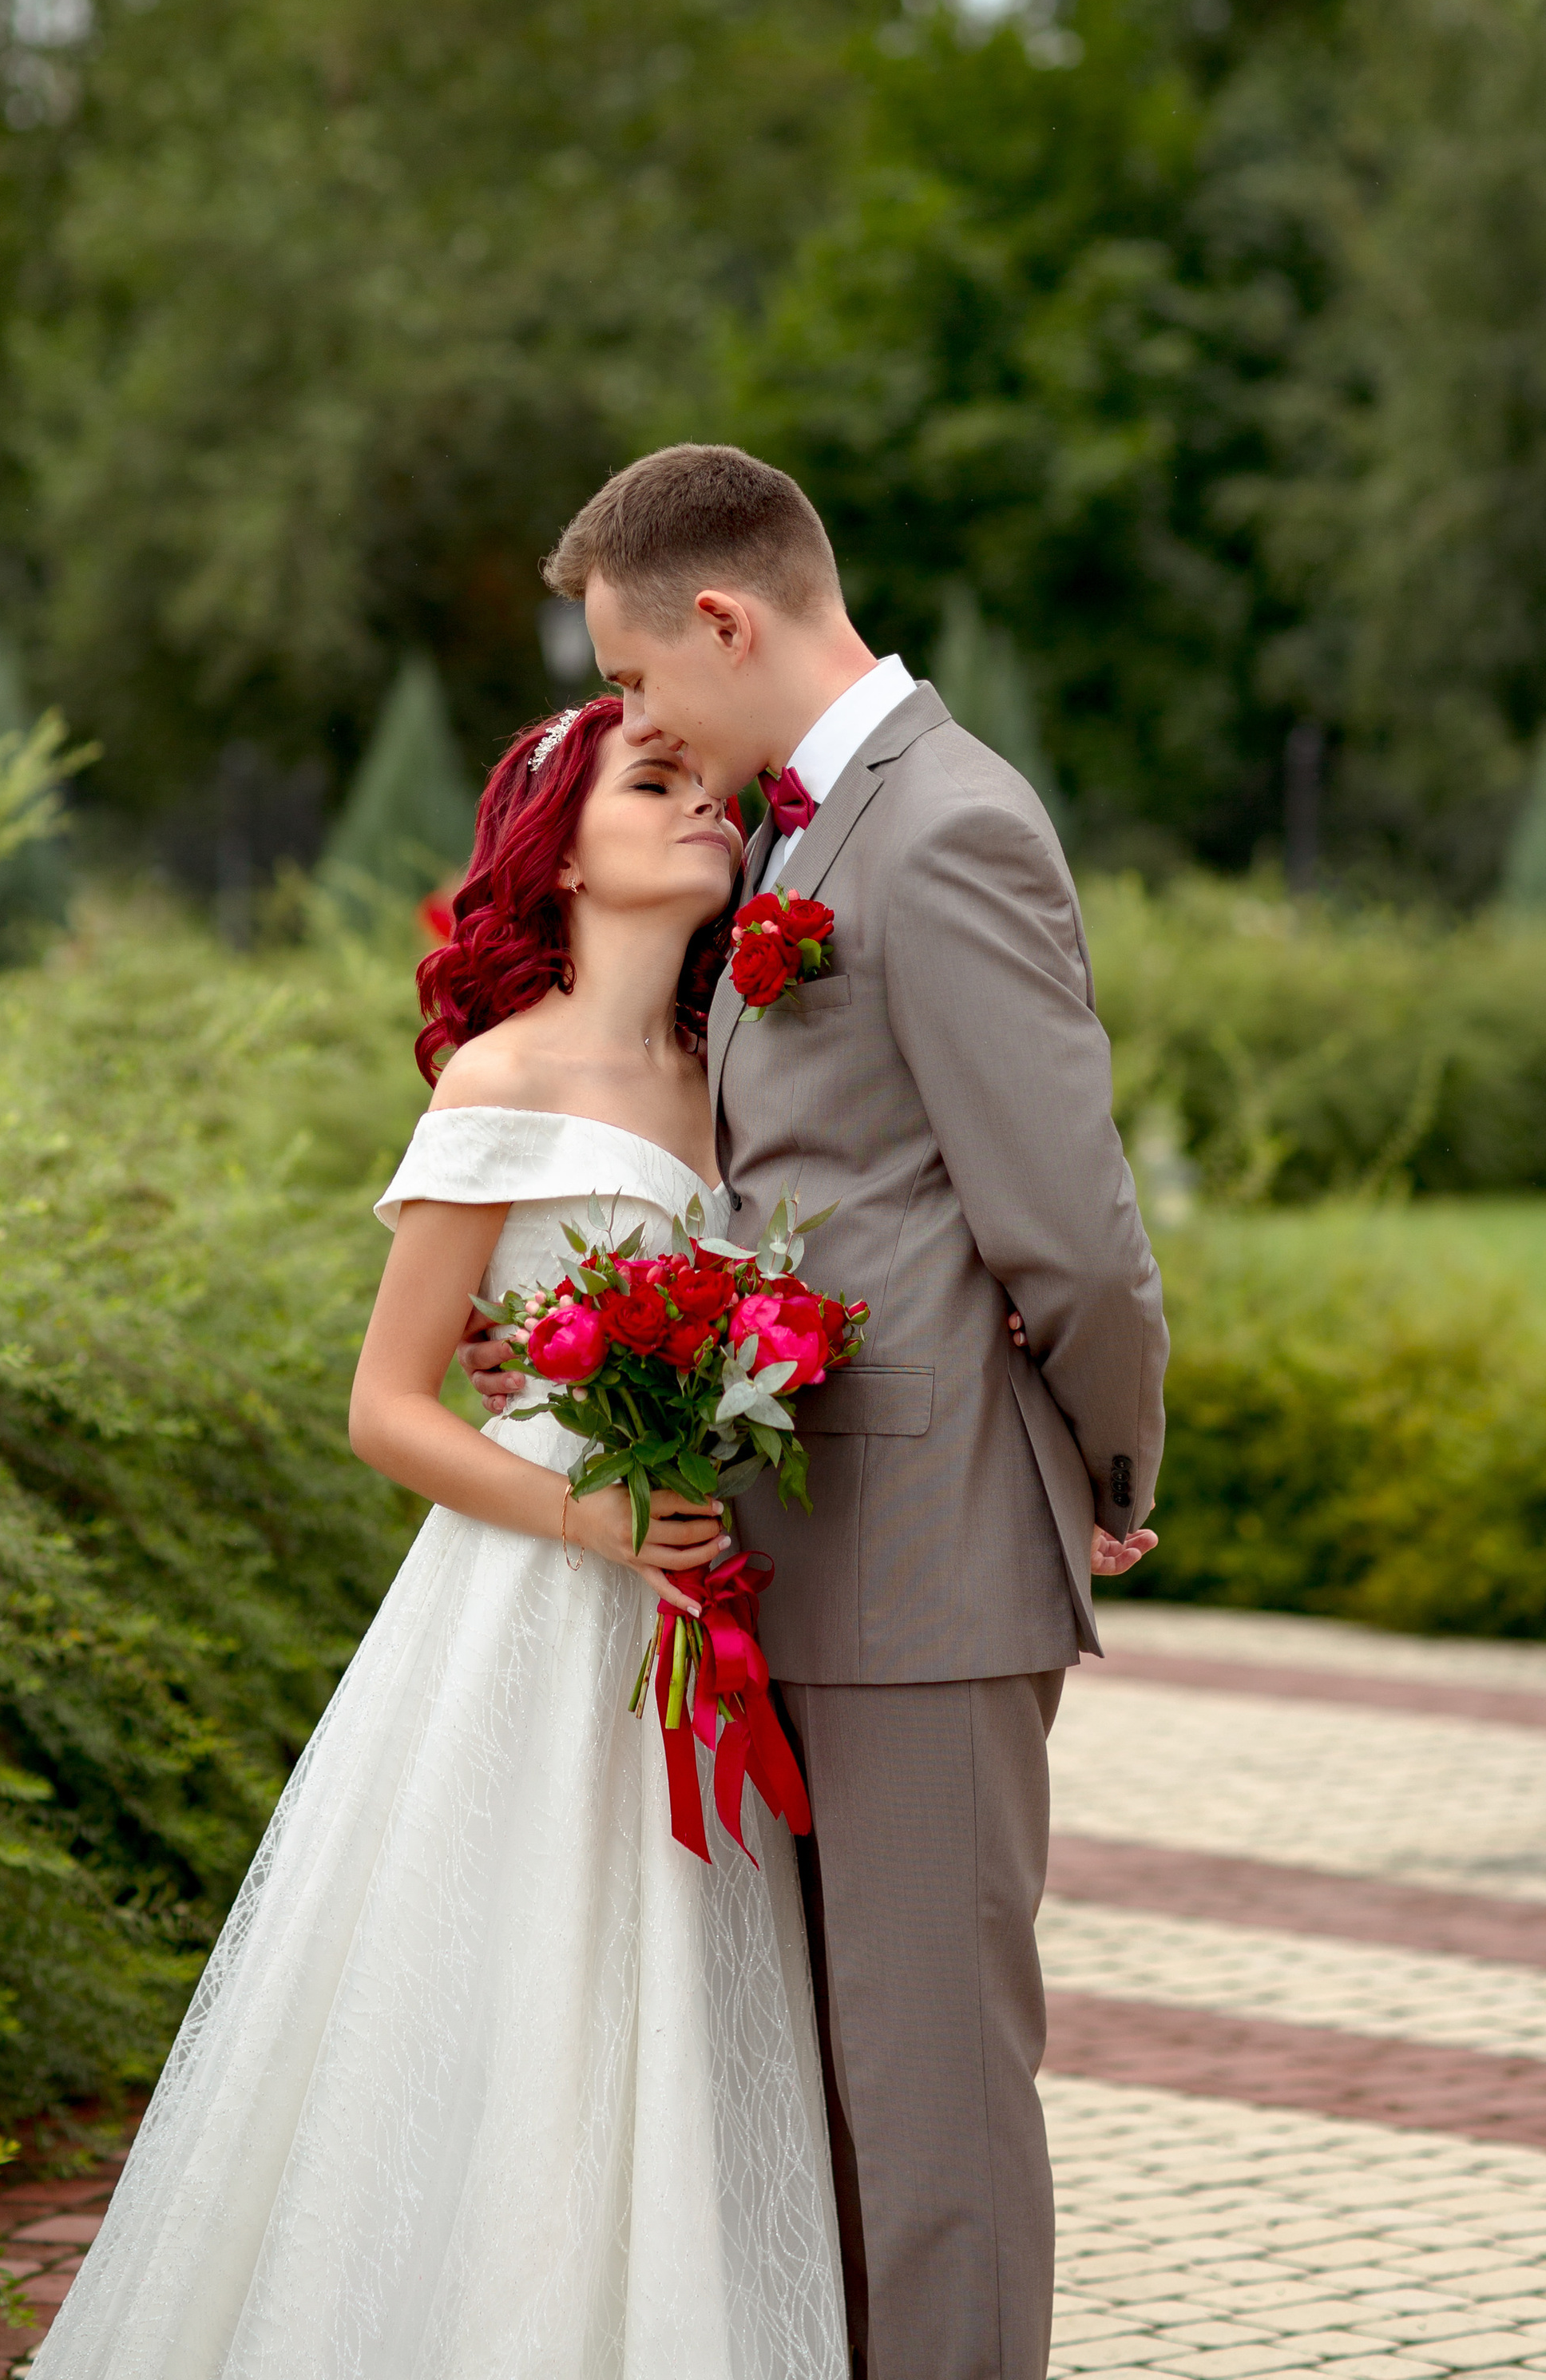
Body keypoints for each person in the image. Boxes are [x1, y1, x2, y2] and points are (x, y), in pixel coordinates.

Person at [31, 703, 849, 2380]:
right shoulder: (502, 1077)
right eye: (657, 784)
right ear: (556, 854)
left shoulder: (741, 1072)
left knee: (676, 2013)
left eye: (718, 789)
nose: (709, 808)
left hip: (702, 1604)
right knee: (512, 2003)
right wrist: (597, 1510)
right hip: (536, 1608)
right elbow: (390, 1406)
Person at [466, 446, 1167, 2380]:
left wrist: (1104, 1464)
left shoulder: (943, 824)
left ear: (723, 617)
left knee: (930, 2104)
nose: (629, 721)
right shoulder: (801, 830)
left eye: (629, 681)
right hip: (812, 1550)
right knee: (840, 2099)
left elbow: (1074, 1235)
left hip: (931, 1555)